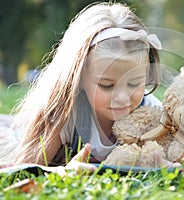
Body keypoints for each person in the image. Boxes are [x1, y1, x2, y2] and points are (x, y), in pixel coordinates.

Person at [0, 2, 165, 172]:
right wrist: (63, 171)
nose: (122, 97)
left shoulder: (150, 110)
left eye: (134, 83)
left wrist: (167, 165)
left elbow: (174, 154)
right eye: (107, 85)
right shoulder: (63, 115)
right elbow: (25, 169)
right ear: (79, 78)